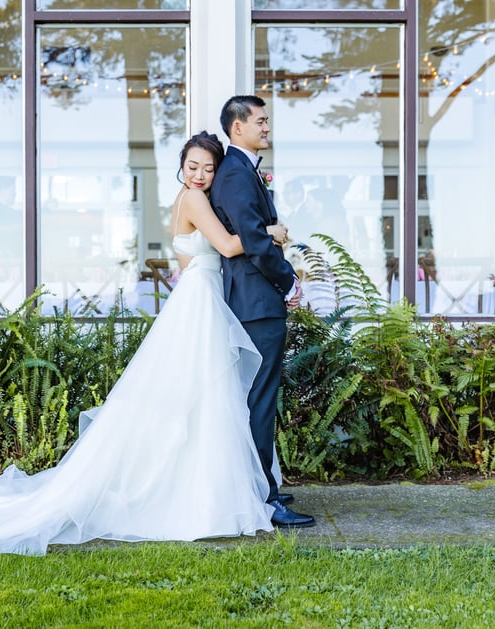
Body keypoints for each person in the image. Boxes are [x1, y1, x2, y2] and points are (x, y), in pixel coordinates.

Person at [0, 131, 292, 555]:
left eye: (208, 169)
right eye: (193, 166)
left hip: (200, 295)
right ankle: (205, 495)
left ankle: (208, 489)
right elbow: (231, 245)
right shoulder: (195, 199)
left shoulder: (186, 198)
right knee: (204, 396)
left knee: (196, 398)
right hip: (201, 298)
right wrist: (274, 231)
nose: (199, 175)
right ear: (182, 164)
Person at [210, 95, 316, 529]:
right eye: (260, 121)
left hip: (255, 300)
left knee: (257, 398)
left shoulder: (241, 171)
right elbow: (254, 241)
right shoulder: (235, 174)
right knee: (260, 400)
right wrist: (289, 279)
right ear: (238, 127)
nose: (267, 127)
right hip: (255, 302)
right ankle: (265, 498)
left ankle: (258, 483)